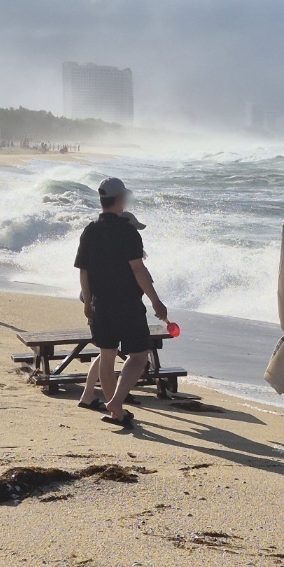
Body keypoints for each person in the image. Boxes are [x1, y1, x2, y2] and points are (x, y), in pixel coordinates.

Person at [74, 179, 168, 427]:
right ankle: (115, 403)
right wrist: (156, 301)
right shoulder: (128, 232)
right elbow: (138, 269)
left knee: (106, 357)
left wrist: (87, 302)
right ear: (119, 200)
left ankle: (117, 412)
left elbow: (83, 271)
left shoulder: (90, 230)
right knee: (139, 357)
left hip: (100, 303)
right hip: (126, 303)